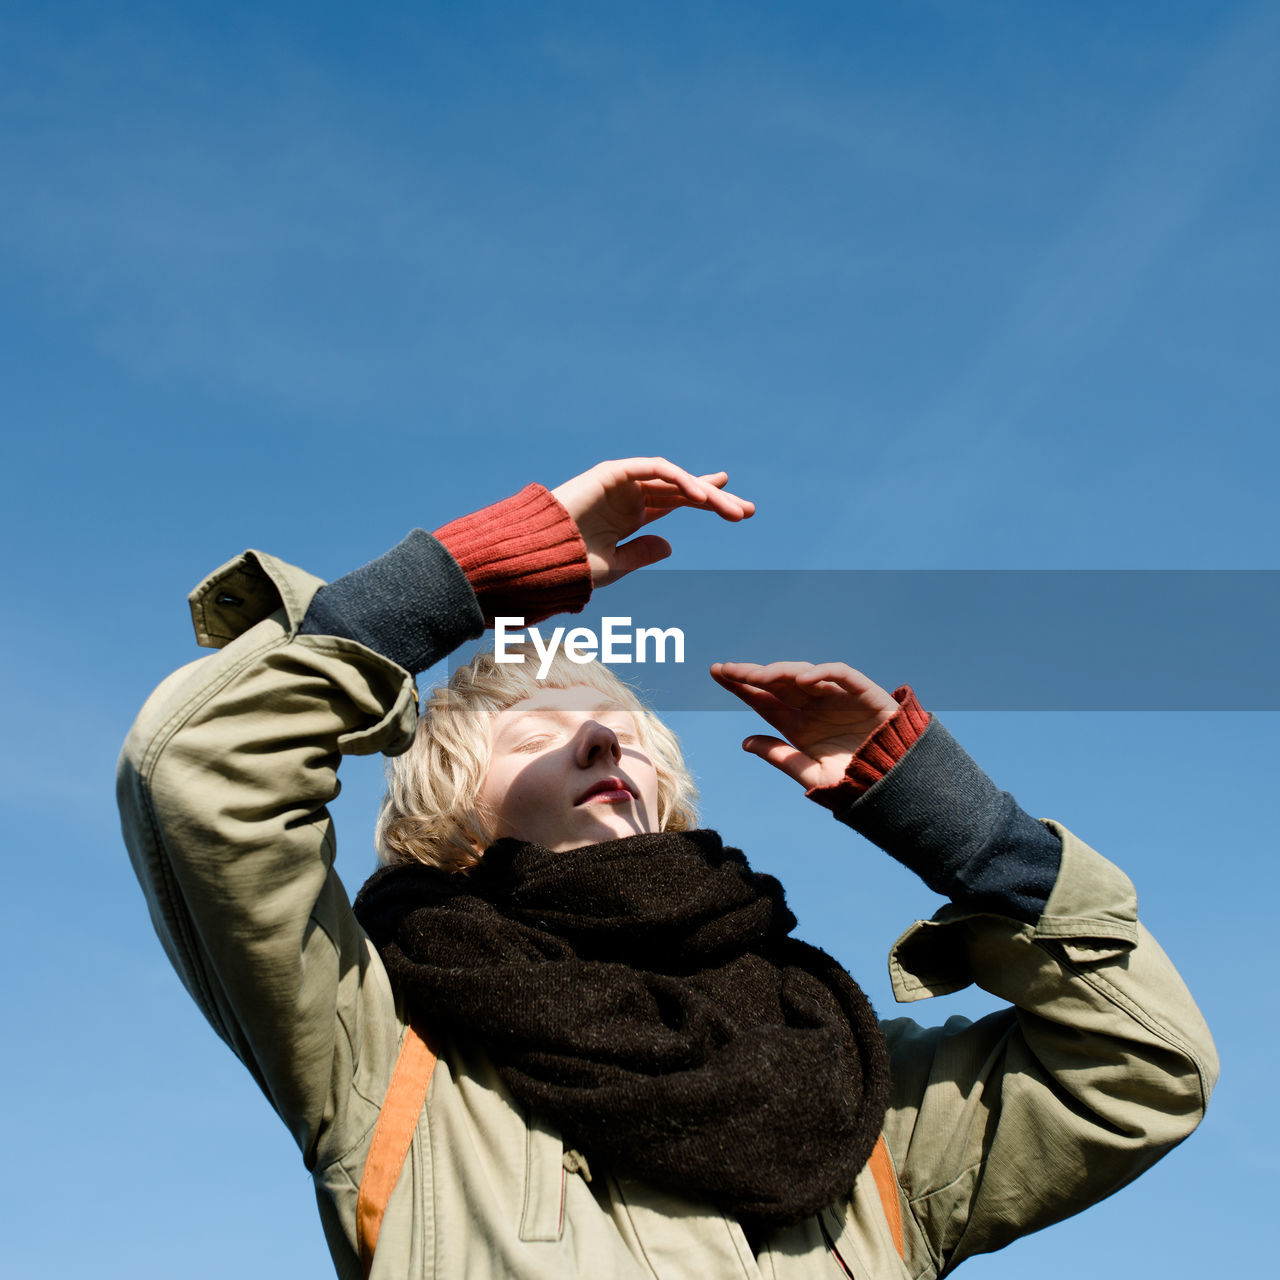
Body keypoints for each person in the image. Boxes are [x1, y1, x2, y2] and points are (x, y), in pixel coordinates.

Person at [118, 457, 1218, 1280]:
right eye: (541, 731)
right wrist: (468, 577)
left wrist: (953, 822)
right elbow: (201, 775)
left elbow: (1141, 1062)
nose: (601, 740)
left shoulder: (848, 1091)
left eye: (619, 723)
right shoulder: (390, 1052)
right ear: (451, 815)